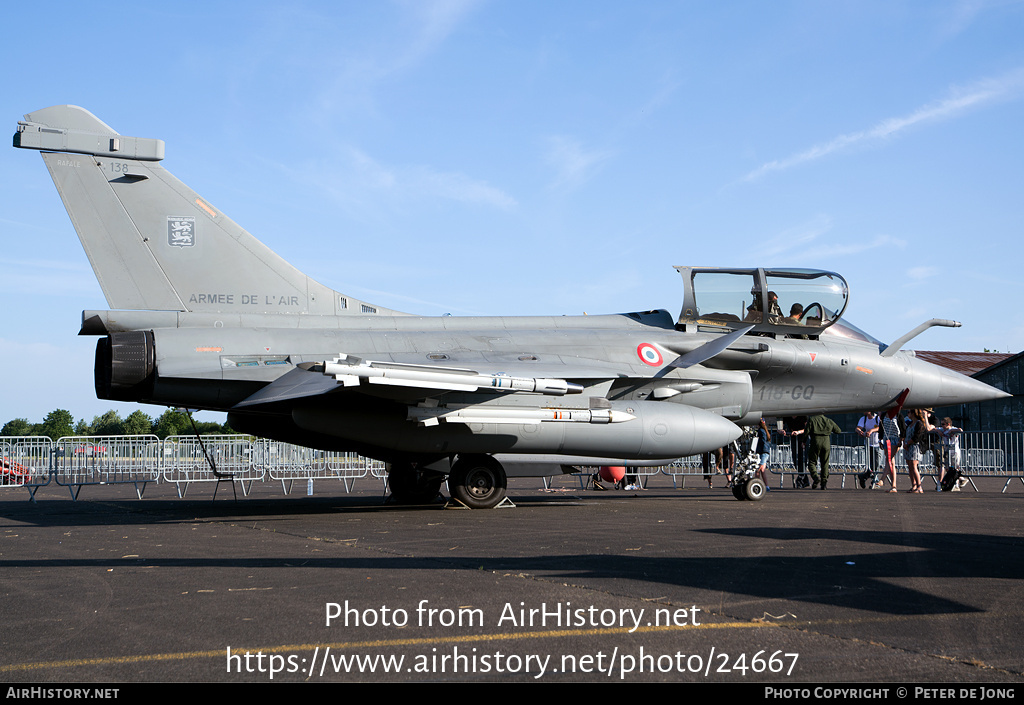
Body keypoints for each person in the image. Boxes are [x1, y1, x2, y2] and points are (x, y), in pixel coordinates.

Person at [805, 414, 841, 490]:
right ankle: (824, 483)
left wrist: (803, 441)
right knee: (825, 463)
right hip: (826, 442)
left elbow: (807, 431)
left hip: (815, 441)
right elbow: (838, 430)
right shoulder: (828, 420)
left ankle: (815, 477)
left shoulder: (812, 419)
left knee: (812, 462)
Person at [903, 408, 935, 493]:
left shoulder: (919, 424)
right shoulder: (909, 423)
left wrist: (908, 443)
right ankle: (913, 485)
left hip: (915, 446)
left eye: (909, 412)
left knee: (914, 465)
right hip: (908, 446)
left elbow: (917, 437)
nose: (908, 414)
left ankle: (919, 485)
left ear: (913, 413)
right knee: (909, 466)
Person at [935, 417, 964, 492]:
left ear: (948, 424)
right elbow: (933, 428)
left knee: (955, 468)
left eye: (943, 424)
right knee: (948, 468)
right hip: (947, 451)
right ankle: (955, 481)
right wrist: (938, 431)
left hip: (954, 451)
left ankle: (957, 483)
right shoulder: (942, 430)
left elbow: (960, 430)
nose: (942, 426)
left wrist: (952, 431)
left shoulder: (952, 428)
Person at [856, 411, 882, 489]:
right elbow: (857, 428)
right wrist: (859, 431)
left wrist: (871, 430)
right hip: (868, 444)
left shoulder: (877, 418)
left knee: (876, 464)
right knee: (870, 465)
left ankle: (864, 477)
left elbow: (880, 427)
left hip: (877, 444)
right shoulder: (863, 419)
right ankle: (875, 481)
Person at [879, 408, 903, 492]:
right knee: (891, 462)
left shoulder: (898, 415)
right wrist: (880, 439)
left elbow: (902, 427)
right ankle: (893, 486)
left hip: (895, 439)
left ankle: (882, 479)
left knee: (888, 459)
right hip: (886, 439)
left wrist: (901, 439)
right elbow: (881, 428)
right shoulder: (883, 415)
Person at [783, 416, 809, 488]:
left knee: (803, 459)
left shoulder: (803, 417)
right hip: (794, 439)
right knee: (796, 460)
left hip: (803, 439)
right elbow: (782, 426)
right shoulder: (787, 417)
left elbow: (807, 428)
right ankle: (805, 479)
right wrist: (782, 431)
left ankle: (801, 479)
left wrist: (798, 432)